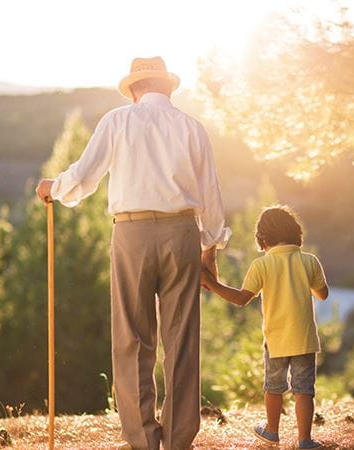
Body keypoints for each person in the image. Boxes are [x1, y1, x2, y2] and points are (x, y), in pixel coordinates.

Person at [35, 56, 230, 450]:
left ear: (135, 89)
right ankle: (177, 441)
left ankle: (142, 440)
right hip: (182, 234)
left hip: (131, 233)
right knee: (181, 340)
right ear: (167, 87)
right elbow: (210, 194)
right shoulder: (192, 127)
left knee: (132, 338)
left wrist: (54, 187)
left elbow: (86, 176)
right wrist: (210, 250)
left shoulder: (117, 121)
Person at [200, 206, 328, 449]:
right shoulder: (309, 261)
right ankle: (305, 439)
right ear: (295, 233)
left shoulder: (261, 265)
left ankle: (271, 431)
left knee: (273, 387)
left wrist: (211, 283)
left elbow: (240, 299)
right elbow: (323, 295)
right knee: (304, 390)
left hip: (276, 339)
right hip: (304, 339)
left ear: (262, 238)